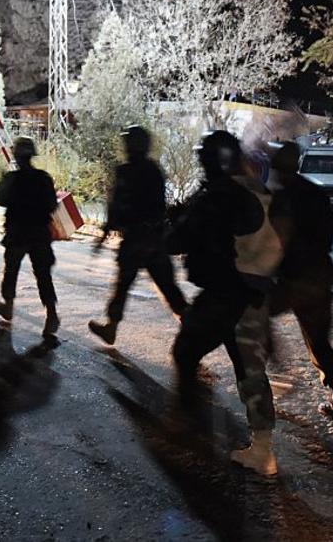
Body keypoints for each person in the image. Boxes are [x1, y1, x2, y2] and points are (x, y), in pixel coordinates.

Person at [166, 130, 279, 475]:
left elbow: (179, 239)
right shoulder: (254, 189)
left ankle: (192, 425)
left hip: (226, 294)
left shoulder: (218, 196)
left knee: (185, 352)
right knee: (249, 369)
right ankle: (263, 450)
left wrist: (173, 223)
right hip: (254, 293)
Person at [268, 141, 333, 424]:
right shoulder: (317, 194)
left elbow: (276, 242)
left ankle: (277, 374)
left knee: (251, 314)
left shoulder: (280, 199)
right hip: (320, 278)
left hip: (292, 280)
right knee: (319, 343)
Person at [88, 125, 189, 346]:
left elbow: (115, 207)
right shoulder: (154, 170)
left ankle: (111, 327)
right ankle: (191, 327)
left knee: (123, 285)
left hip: (136, 240)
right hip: (154, 240)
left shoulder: (126, 171)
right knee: (168, 288)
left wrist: (104, 236)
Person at [0, 136, 60, 342]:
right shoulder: (44, 178)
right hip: (39, 233)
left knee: (11, 270)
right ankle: (51, 315)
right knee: (43, 275)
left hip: (17, 232)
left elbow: (1, 199)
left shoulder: (12, 179)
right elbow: (52, 205)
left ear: (16, 156)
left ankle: (9, 306)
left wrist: (2, 183)